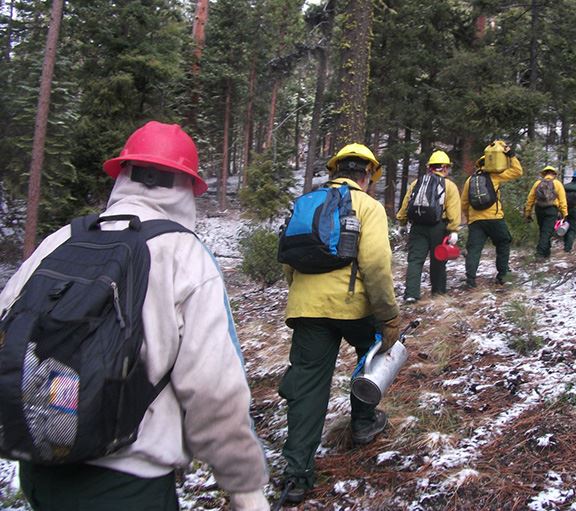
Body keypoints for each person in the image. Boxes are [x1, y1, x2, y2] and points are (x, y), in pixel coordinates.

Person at [0, 121, 270, 511]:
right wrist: (244, 486)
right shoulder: (186, 256)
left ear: (123, 174)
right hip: (127, 483)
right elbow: (214, 390)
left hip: (41, 470)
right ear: (187, 187)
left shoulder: (60, 240)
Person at [279, 143, 400, 504]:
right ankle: (364, 423)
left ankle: (296, 474)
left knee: (307, 387)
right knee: (373, 351)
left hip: (307, 309)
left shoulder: (307, 203)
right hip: (353, 307)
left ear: (334, 171)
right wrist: (389, 316)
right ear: (368, 175)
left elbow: (289, 261)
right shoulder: (368, 206)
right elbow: (377, 265)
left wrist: (306, 298)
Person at [396, 150, 461, 303]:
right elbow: (453, 209)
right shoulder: (449, 186)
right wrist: (453, 230)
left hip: (417, 227)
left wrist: (402, 223)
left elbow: (406, 204)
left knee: (415, 260)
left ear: (429, 167)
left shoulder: (416, 183)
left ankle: (411, 294)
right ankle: (438, 294)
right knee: (438, 260)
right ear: (444, 167)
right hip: (439, 227)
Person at [460, 144, 523, 287]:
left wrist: (470, 219)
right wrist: (511, 155)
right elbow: (518, 171)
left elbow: (464, 203)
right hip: (495, 219)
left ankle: (470, 281)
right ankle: (502, 275)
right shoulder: (495, 176)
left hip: (476, 221)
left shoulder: (470, 180)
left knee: (474, 250)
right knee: (503, 242)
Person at [524, 165, 567, 258]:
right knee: (546, 232)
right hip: (551, 210)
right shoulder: (557, 184)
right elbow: (563, 200)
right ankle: (539, 253)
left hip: (539, 209)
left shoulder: (537, 183)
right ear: (554, 174)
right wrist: (564, 214)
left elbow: (530, 199)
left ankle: (546, 253)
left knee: (543, 231)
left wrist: (528, 213)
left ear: (544, 174)